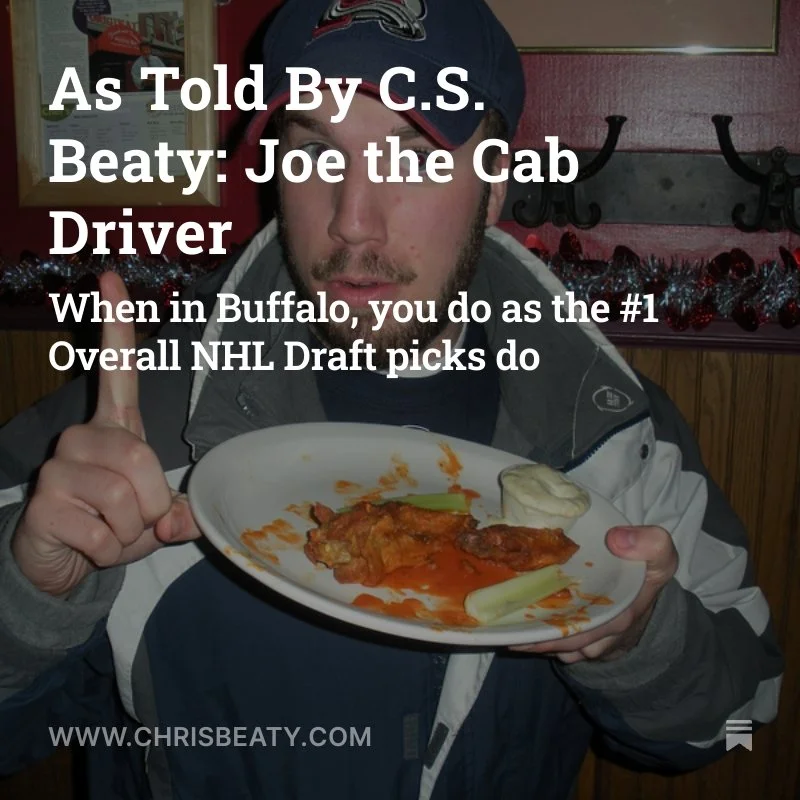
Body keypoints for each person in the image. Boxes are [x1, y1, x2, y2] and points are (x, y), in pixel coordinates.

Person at [0, 1, 783, 798]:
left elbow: (745, 722)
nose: (353, 223)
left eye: (411, 158)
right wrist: (30, 603)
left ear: (493, 185)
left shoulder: (612, 430)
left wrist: (640, 645)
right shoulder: (127, 433)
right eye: (314, 154)